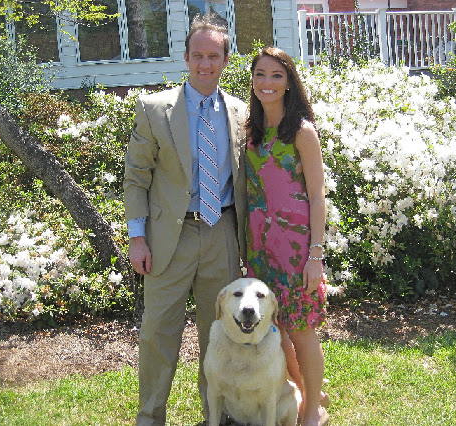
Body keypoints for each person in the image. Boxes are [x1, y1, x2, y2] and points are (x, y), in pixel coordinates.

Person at [123, 14, 248, 425]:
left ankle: (218, 417)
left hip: (222, 231)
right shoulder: (155, 109)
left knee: (222, 334)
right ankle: (150, 417)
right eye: (198, 55)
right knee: (158, 331)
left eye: (213, 56)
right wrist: (137, 238)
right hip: (168, 238)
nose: (205, 64)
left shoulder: (241, 112)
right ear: (186, 57)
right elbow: (136, 178)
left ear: (225, 59)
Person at [245, 47, 329, 426]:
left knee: (302, 332)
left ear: (289, 82)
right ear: (252, 80)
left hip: (296, 251)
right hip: (260, 252)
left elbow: (317, 197)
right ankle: (311, 392)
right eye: (260, 74)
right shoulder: (251, 132)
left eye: (276, 75)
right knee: (276, 333)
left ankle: (311, 411)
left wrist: (316, 255)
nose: (268, 82)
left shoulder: (302, 132)